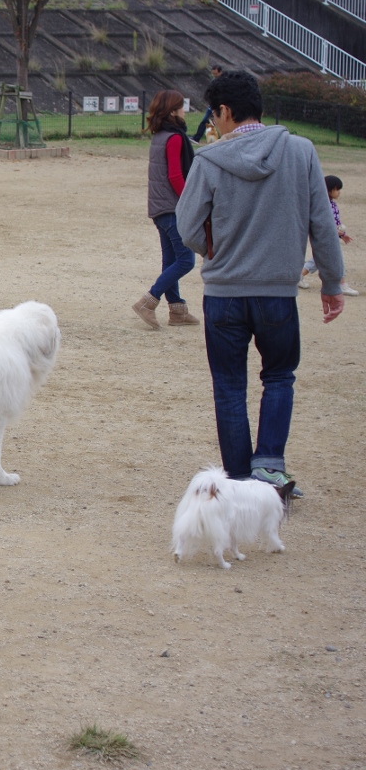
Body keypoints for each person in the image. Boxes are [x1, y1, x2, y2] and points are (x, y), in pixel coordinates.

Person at [176, 70, 344, 499]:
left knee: (230, 385)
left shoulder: (210, 160)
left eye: (214, 117)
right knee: (280, 377)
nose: (213, 125)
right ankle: (269, 468)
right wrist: (332, 281)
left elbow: (187, 226)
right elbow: (321, 222)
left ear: (226, 112)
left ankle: (237, 478)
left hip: (223, 295)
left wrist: (213, 249)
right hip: (278, 293)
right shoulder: (300, 152)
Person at [133, 89, 200, 329]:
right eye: (182, 106)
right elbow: (175, 175)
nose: (185, 110)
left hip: (159, 207)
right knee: (186, 260)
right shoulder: (175, 137)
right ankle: (148, 301)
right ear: (173, 110)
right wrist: (190, 200)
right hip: (172, 208)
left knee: (171, 259)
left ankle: (178, 310)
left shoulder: (159, 135)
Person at [298, 176, 357, 296]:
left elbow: (334, 223)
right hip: (325, 236)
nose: (339, 192)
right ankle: (342, 284)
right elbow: (324, 223)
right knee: (337, 258)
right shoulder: (324, 205)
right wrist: (335, 232)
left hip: (330, 236)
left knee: (319, 258)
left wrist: (341, 234)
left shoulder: (331, 204)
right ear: (329, 190)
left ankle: (299, 276)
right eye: (337, 190)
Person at [191, 65, 222, 143]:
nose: (214, 76)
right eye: (213, 74)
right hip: (212, 104)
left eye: (215, 74)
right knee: (205, 121)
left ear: (220, 72)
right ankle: (197, 138)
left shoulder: (224, 82)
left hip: (219, 104)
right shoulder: (213, 81)